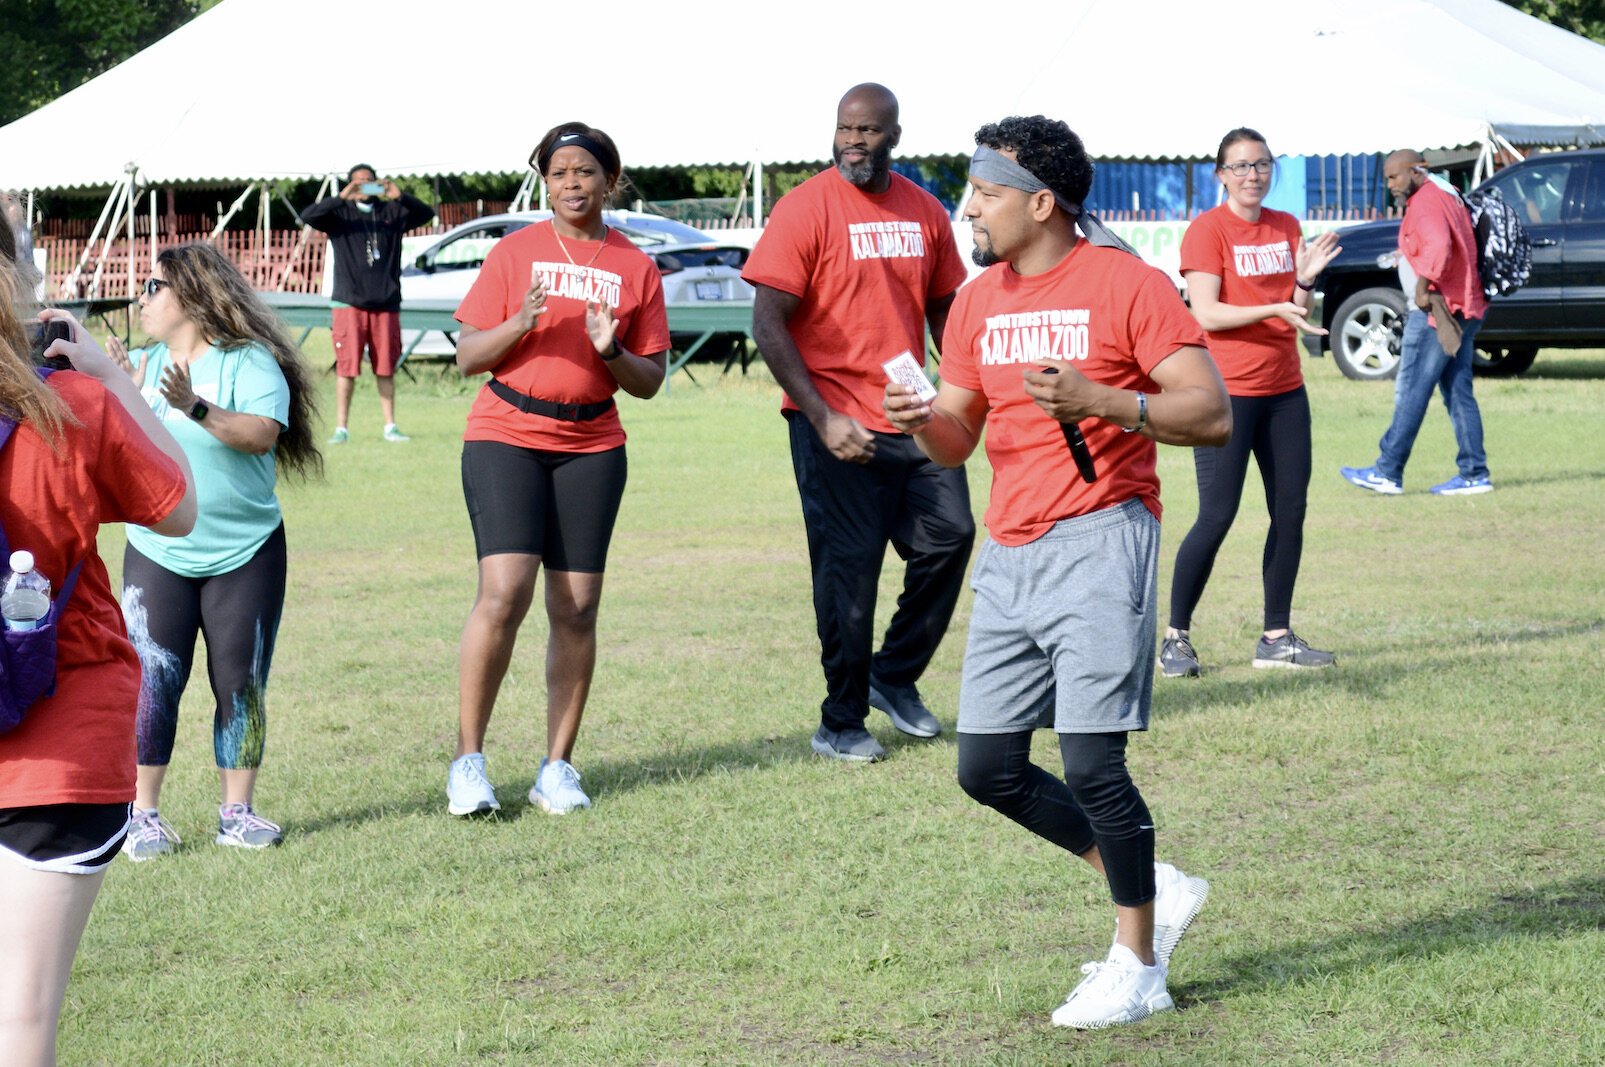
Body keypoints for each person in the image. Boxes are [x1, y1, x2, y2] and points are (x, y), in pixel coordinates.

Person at [884, 116, 1231, 1029]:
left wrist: (1104, 400)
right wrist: (920, 414)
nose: (969, 209)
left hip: (1100, 535)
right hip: (1010, 548)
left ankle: (1138, 960)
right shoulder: (974, 300)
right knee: (985, 765)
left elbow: (1209, 412)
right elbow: (958, 435)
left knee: (1090, 761)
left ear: (1041, 201)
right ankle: (1153, 880)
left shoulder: (1125, 282)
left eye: (985, 192)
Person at [0, 224, 195, 1065]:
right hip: (64, 740)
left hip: (57, 749)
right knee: (23, 1015)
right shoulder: (73, 406)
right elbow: (179, 507)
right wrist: (110, 372)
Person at [742, 83, 975, 763]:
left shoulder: (925, 209)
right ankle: (839, 721)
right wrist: (821, 415)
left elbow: (944, 310)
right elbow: (766, 320)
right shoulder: (803, 208)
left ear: (894, 136)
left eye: (868, 131)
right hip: (834, 421)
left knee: (951, 535)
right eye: (844, 129)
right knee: (849, 573)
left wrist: (962, 391)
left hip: (912, 412)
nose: (853, 142)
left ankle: (891, 675)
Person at [447, 122, 668, 817]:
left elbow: (649, 378)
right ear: (544, 179)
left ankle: (556, 768)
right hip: (505, 434)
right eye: (559, 171)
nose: (572, 183)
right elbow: (467, 355)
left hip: (593, 445)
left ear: (611, 178)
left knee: (575, 607)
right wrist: (519, 323)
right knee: (504, 592)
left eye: (585, 171)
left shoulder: (636, 265)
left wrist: (610, 349)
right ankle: (468, 763)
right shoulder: (516, 253)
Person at [108, 242, 322, 860]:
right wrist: (117, 391)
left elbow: (259, 437)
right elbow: (117, 452)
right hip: (158, 548)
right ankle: (142, 815)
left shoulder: (249, 362)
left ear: (192, 297)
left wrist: (193, 406)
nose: (141, 298)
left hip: (246, 551)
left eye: (153, 287)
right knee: (153, 679)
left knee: (240, 681)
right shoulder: (144, 364)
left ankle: (238, 813)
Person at [1160, 128, 1342, 678]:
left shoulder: (1286, 225)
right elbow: (1207, 314)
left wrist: (1304, 281)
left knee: (1290, 510)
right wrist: (1272, 310)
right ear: (1221, 175)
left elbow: (1295, 306)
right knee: (1216, 515)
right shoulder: (1206, 230)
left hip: (1285, 390)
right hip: (1226, 393)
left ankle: (1276, 637)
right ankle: (1175, 638)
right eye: (1239, 167)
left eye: (1261, 164)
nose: (1252, 175)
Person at [1341, 149, 1492, 496]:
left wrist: (1422, 286)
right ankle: (1474, 472)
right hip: (1464, 305)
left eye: (1394, 177)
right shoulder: (1442, 194)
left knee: (1413, 388)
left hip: (1437, 310)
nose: (1390, 185)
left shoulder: (1425, 201)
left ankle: (1388, 470)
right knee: (1458, 390)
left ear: (1415, 171)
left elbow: (1438, 247)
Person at [302, 164, 435, 444]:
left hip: (385, 303)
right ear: (350, 185)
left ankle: (390, 426)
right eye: (357, 183)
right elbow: (308, 215)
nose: (363, 187)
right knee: (346, 367)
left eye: (368, 182)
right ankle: (342, 428)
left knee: (385, 367)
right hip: (348, 303)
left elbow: (426, 214)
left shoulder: (392, 212)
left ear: (377, 183)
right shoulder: (339, 215)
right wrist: (342, 197)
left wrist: (400, 196)